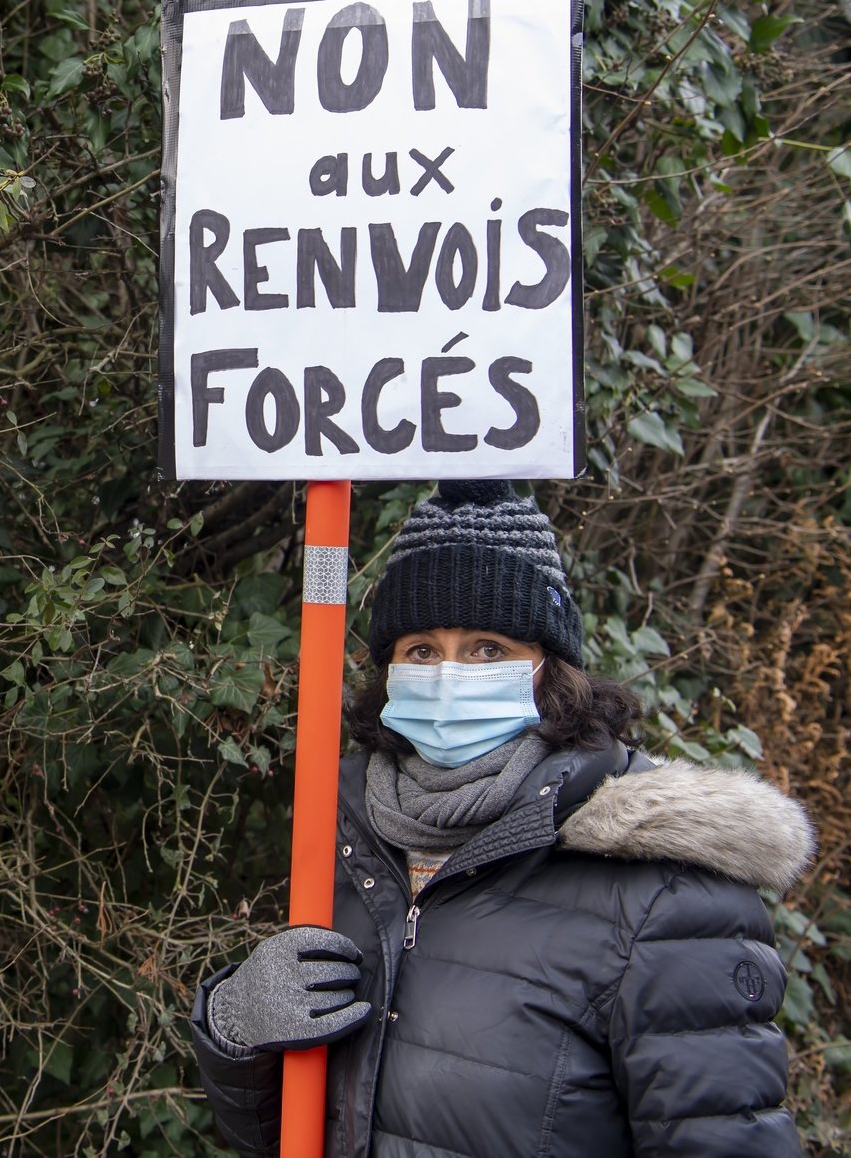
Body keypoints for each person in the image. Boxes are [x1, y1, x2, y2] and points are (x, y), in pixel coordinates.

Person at [190, 479, 815, 1157]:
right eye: (422, 649)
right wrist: (238, 1033)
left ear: (551, 670)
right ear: (390, 669)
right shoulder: (344, 842)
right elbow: (285, 1136)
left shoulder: (667, 894)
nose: (450, 673)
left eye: (488, 647)